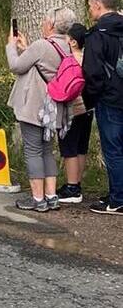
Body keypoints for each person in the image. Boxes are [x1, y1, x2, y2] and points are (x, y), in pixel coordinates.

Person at [6, 7, 77, 212]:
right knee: (47, 150)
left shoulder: (42, 45)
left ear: (52, 24)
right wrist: (27, 47)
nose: (43, 24)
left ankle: (37, 199)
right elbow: (44, 64)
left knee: (33, 150)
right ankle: (51, 196)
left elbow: (17, 66)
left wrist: (11, 46)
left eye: (45, 21)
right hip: (56, 107)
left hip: (35, 106)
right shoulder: (67, 46)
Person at [82, 0, 123, 215]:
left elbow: (92, 72)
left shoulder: (98, 34)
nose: (89, 10)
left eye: (90, 6)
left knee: (113, 150)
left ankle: (117, 199)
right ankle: (118, 192)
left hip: (109, 97)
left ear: (98, 6)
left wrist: (90, 98)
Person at [58, 23, 92, 203]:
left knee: (69, 147)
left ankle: (72, 187)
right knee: (81, 146)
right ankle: (77, 182)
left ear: (72, 42)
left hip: (73, 108)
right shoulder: (88, 57)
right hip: (88, 108)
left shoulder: (69, 60)